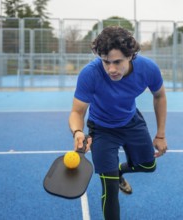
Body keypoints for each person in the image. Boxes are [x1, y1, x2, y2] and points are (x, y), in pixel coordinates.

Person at [68, 26, 167, 220]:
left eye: (117, 62)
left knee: (148, 166)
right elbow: (77, 111)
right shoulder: (90, 73)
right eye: (106, 62)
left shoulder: (148, 69)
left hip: (131, 121)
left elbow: (160, 96)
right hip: (101, 129)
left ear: (130, 56)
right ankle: (114, 174)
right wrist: (78, 132)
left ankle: (119, 169)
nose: (111, 69)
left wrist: (161, 134)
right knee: (110, 188)